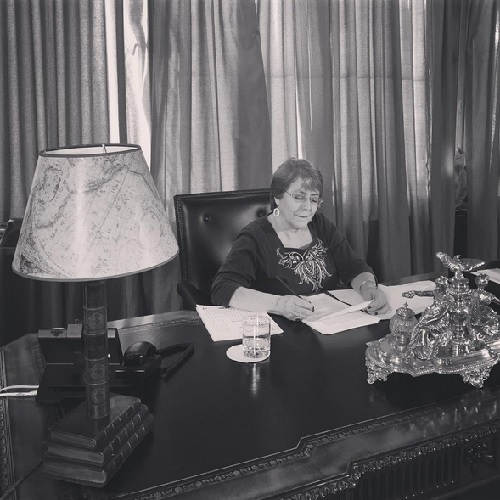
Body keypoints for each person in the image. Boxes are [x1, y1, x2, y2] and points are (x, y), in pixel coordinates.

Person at [211, 159, 389, 321]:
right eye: (298, 197)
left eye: (314, 199)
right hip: (284, 333)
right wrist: (279, 304)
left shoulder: (321, 224)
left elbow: (353, 266)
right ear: (277, 197)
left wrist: (368, 287)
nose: (307, 207)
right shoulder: (254, 237)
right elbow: (223, 289)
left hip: (333, 324)